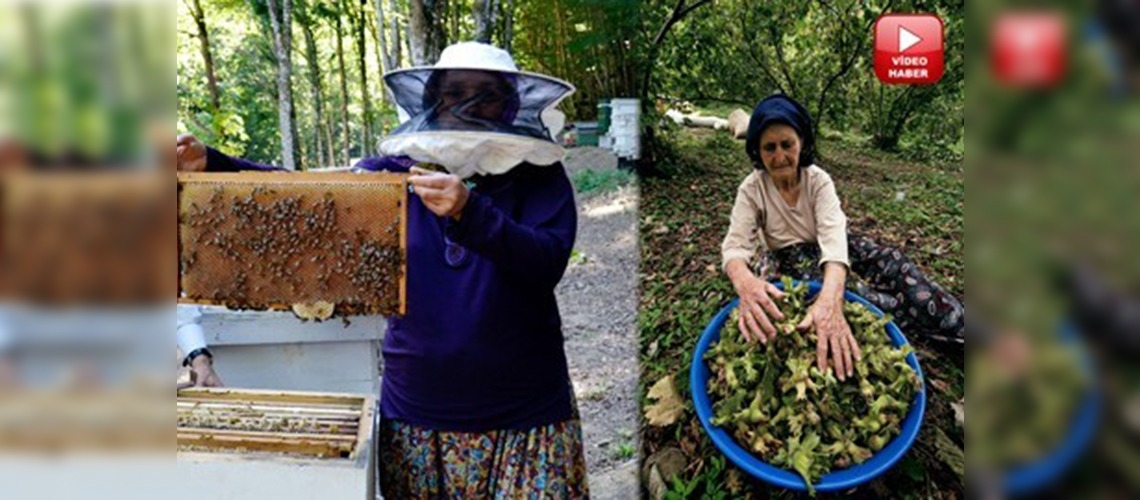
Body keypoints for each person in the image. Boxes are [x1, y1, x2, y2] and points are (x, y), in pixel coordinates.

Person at [176, 42, 588, 498]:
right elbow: (297, 204)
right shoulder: (390, 177)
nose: (470, 105)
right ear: (433, 101)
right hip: (418, 416)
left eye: (485, 94)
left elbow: (545, 262)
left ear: (510, 104)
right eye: (456, 93)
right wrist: (213, 165)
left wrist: (471, 212)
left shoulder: (540, 179)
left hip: (526, 414)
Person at [721, 94, 965, 380]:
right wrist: (745, 282)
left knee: (894, 263)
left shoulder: (817, 180)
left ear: (801, 143)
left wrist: (830, 300)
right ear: (757, 152)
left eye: (787, 144)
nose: (779, 156)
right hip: (787, 256)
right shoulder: (752, 190)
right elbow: (736, 246)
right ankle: (915, 323)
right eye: (769, 147)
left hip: (834, 245)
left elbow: (835, 239)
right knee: (857, 294)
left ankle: (964, 329)